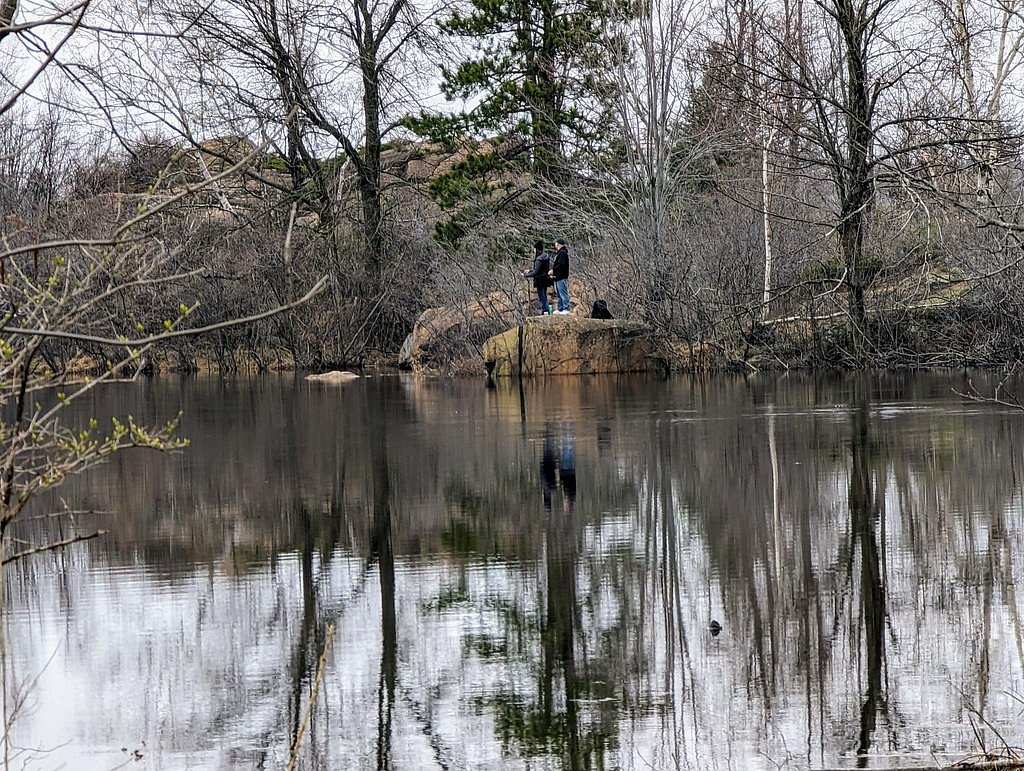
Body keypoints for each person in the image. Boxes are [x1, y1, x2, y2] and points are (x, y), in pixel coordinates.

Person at [523, 240, 552, 315]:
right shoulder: (546, 256)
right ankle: (547, 310)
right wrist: (530, 270)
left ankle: (545, 311)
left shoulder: (539, 259)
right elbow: (542, 269)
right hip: (545, 279)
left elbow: (537, 271)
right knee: (544, 295)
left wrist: (527, 275)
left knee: (541, 297)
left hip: (539, 280)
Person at [549, 238, 571, 314]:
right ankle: (560, 308)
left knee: (563, 293)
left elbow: (561, 265)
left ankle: (566, 308)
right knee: (558, 294)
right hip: (558, 277)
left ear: (558, 244)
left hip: (562, 276)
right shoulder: (559, 253)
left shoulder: (562, 253)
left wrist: (554, 270)